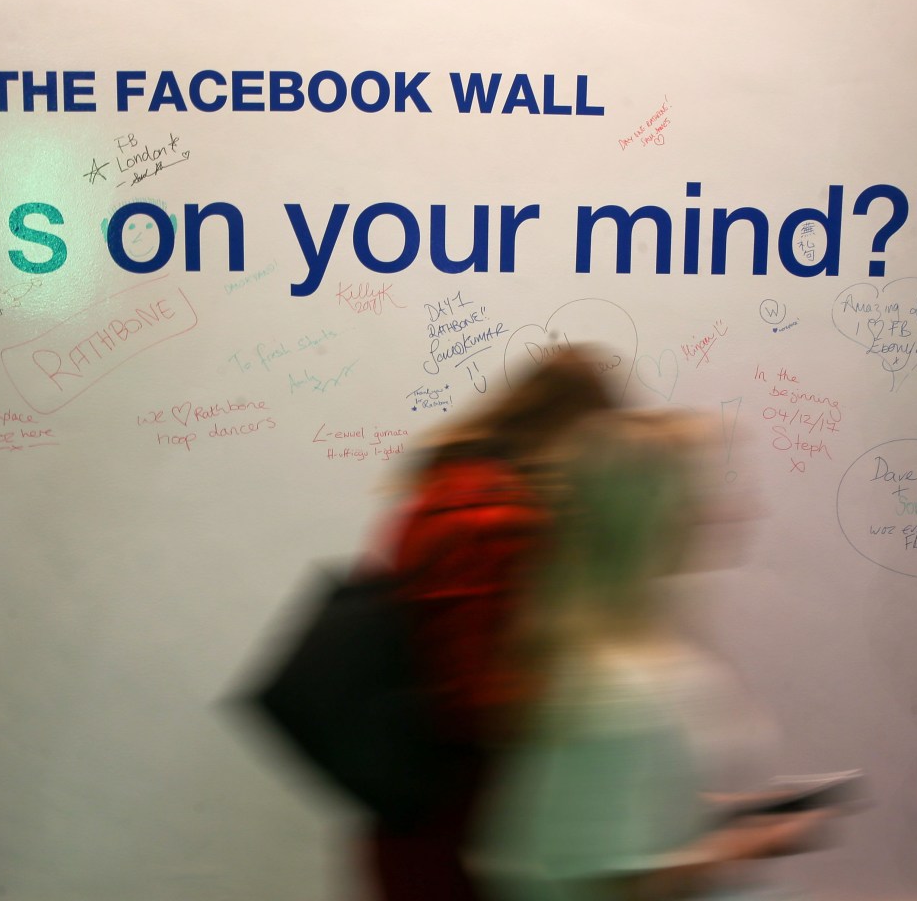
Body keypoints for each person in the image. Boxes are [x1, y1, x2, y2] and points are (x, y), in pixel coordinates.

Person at [470, 410, 835, 901]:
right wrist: (744, 845)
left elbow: (617, 811)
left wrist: (724, 813)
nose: (731, 511)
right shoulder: (616, 687)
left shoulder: (606, 656)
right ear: (658, 519)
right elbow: (609, 880)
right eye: (697, 495)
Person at [358, 346, 621, 901]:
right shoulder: (496, 516)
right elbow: (482, 698)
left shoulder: (445, 483)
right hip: (457, 809)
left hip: (407, 789)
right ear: (575, 432)